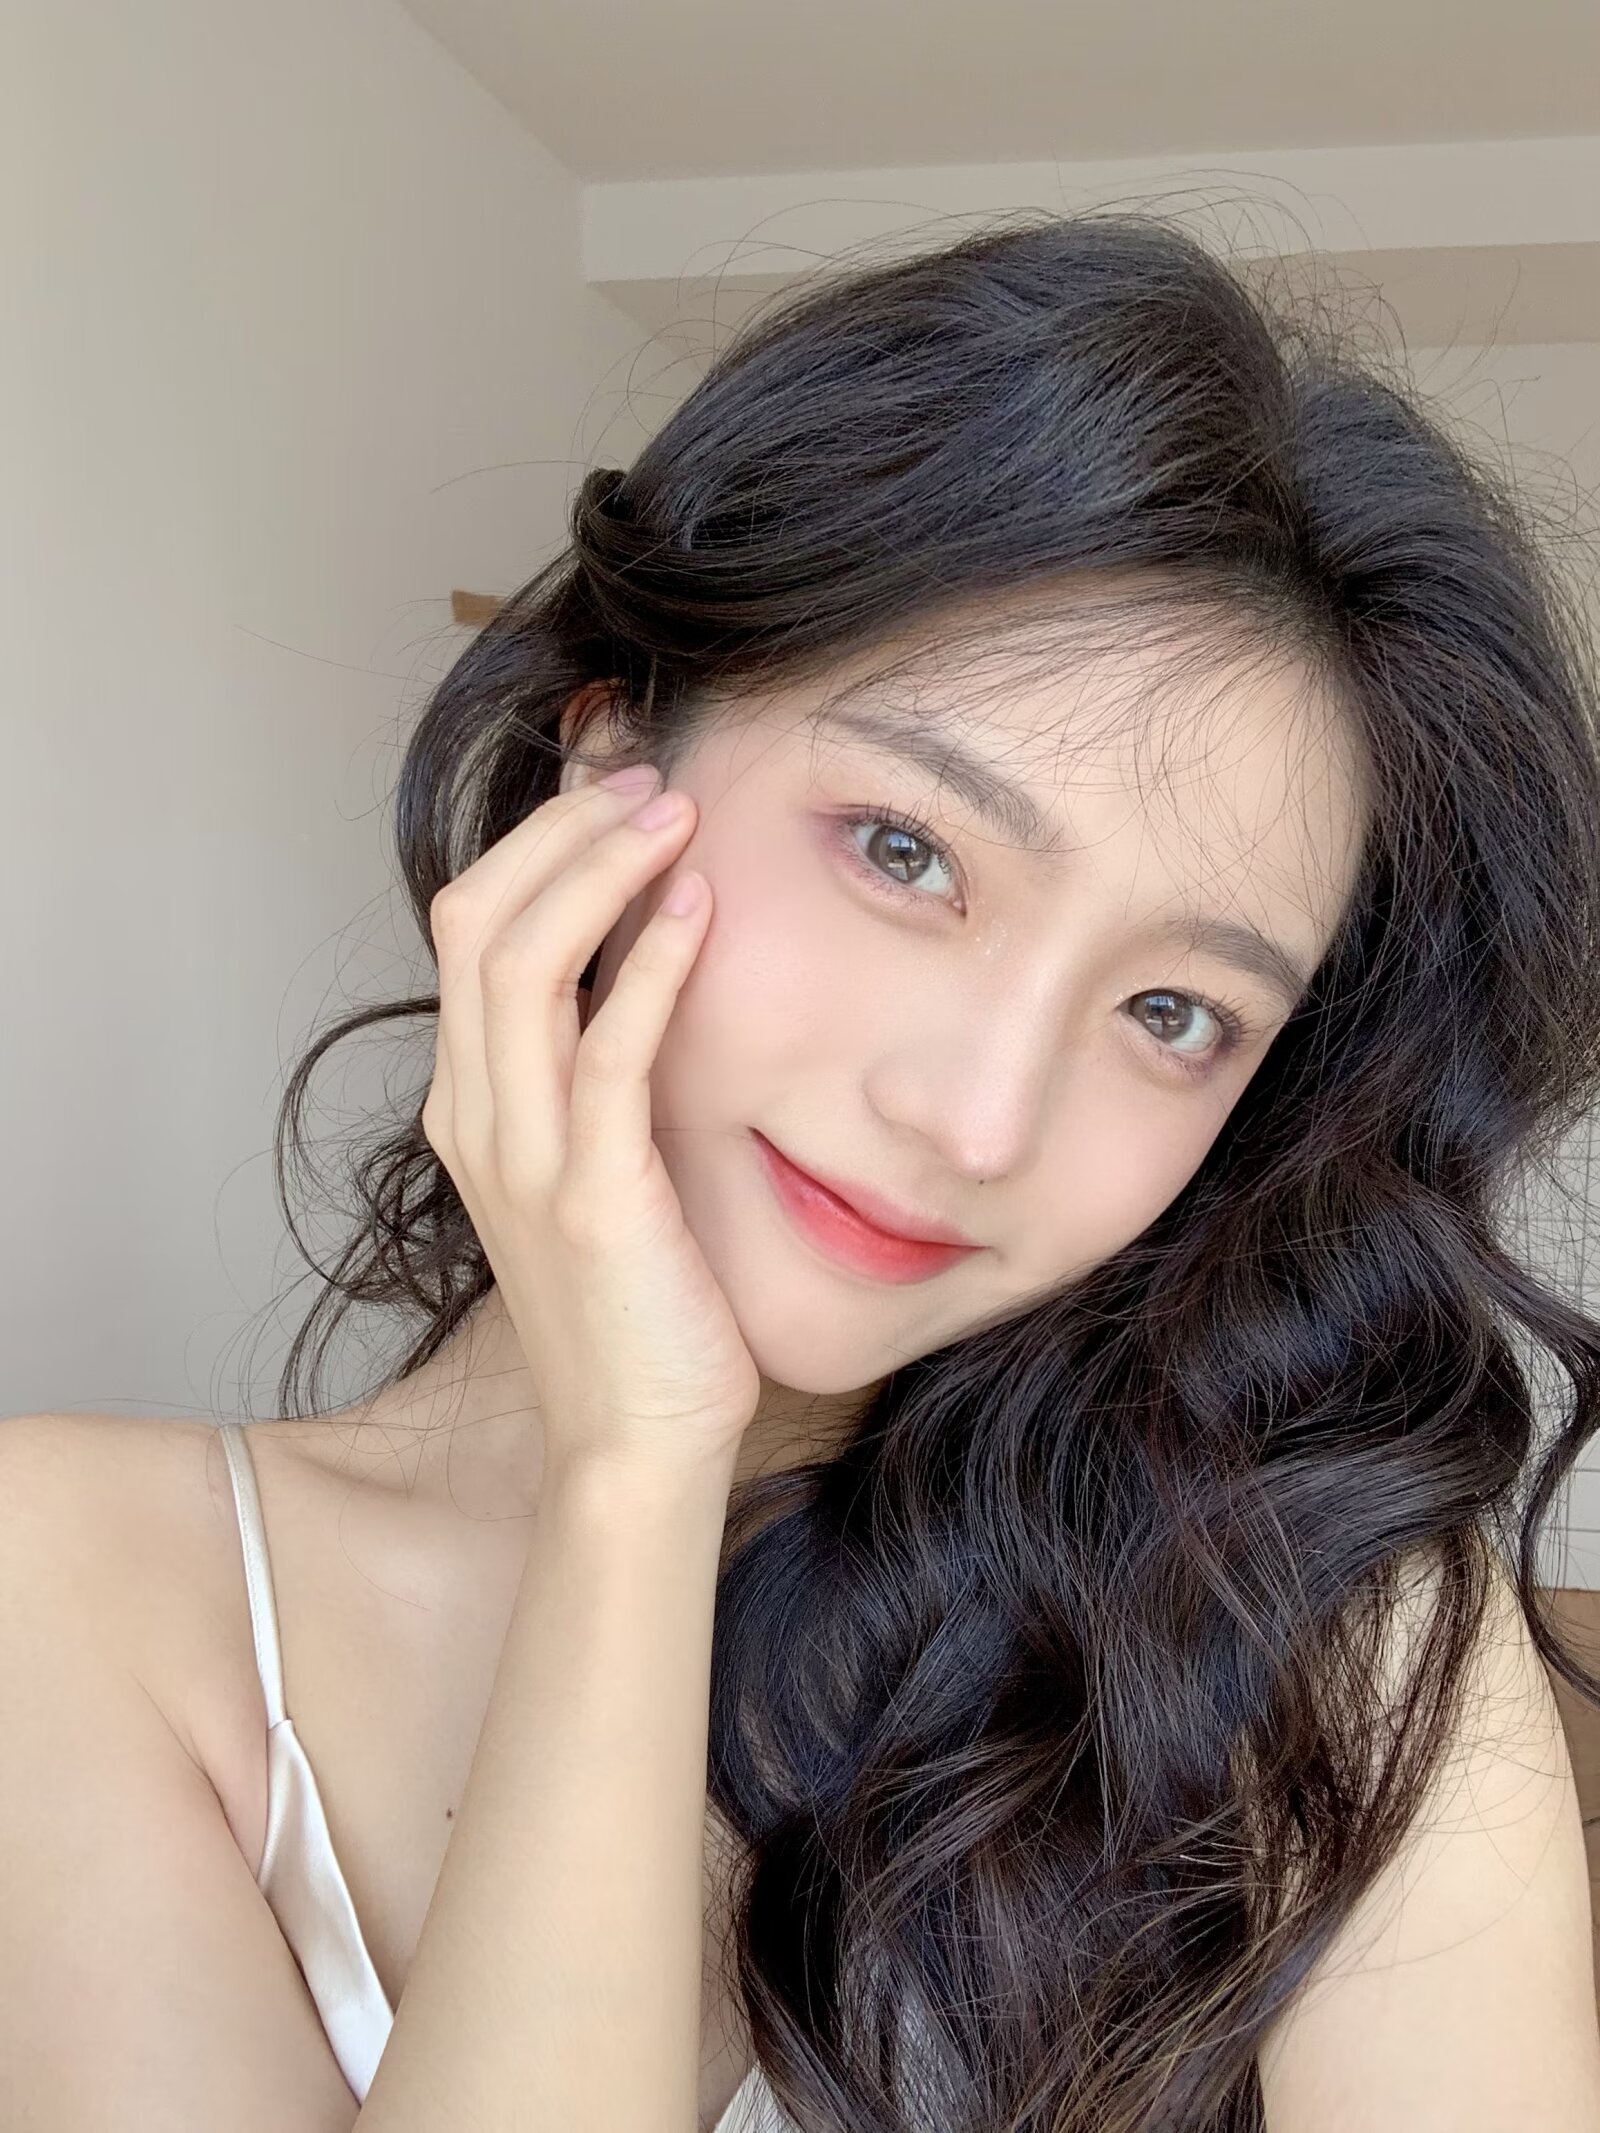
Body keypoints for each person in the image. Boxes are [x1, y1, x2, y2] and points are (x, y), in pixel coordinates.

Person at [5, 207, 1600, 2133]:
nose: (979, 1118)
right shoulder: (72, 1586)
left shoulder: (1331, 1643)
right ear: (607, 774)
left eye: (1174, 1010)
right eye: (908, 852)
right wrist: (637, 1474)